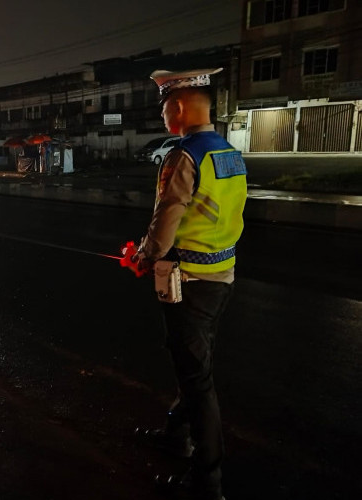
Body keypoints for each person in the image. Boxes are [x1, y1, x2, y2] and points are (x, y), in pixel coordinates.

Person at [131, 68, 247, 500]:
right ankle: (175, 435)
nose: (163, 116)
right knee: (191, 361)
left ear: (178, 107)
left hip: (189, 281)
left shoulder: (183, 155)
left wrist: (145, 256)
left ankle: (207, 480)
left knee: (198, 380)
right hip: (222, 277)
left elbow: (167, 218)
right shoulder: (230, 153)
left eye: (164, 107)